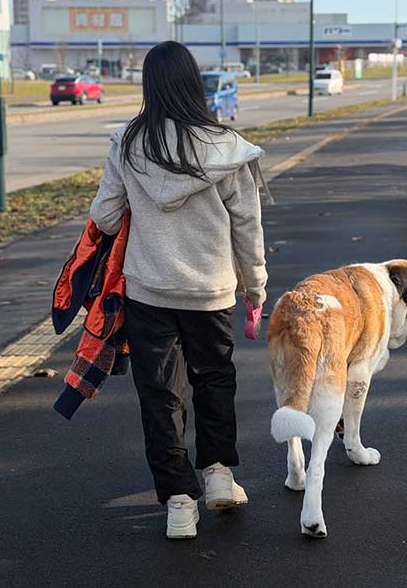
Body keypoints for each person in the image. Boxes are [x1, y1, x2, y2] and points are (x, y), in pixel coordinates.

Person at [89, 41, 268, 540]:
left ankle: (178, 504)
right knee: (214, 380)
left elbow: (104, 215)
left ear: (149, 86)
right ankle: (218, 476)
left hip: (149, 290)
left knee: (160, 394)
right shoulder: (225, 147)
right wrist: (255, 286)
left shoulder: (128, 143)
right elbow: (247, 227)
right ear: (193, 83)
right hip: (210, 291)